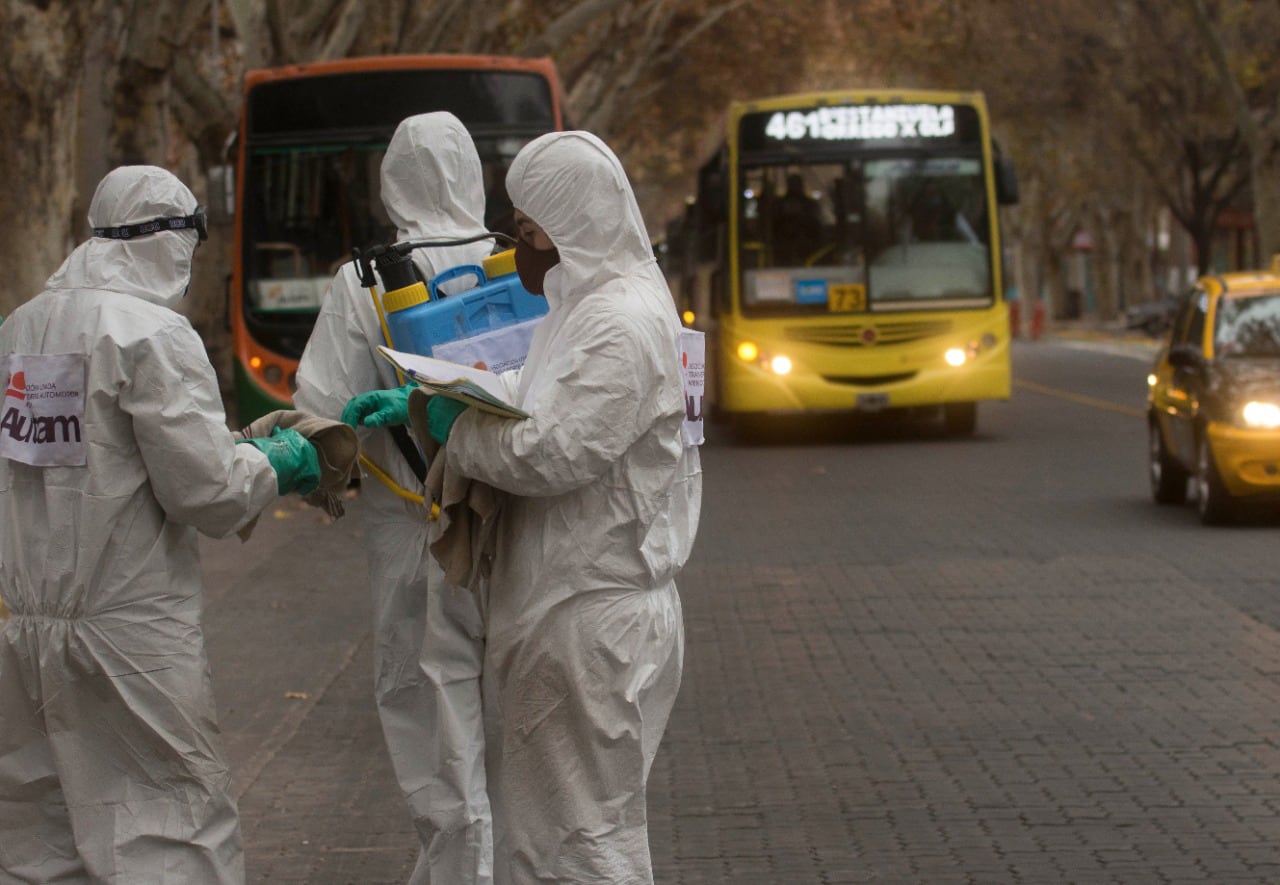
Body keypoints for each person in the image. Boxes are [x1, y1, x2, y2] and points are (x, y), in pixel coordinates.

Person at [0, 165, 320, 883]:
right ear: (174, 242)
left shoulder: (22, 325)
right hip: (130, 632)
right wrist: (277, 462)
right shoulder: (152, 334)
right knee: (170, 833)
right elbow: (206, 493)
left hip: (27, 633)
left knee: (39, 842)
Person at [416, 131, 703, 883]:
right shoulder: (586, 308)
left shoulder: (620, 323)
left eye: (530, 231)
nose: (522, 248)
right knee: (560, 834)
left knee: (579, 844)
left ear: (574, 225)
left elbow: (555, 451)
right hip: (568, 603)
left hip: (588, 615)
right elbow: (544, 403)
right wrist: (454, 397)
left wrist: (464, 434)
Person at [293, 111, 495, 884]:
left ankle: (462, 874)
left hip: (414, 534)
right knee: (506, 718)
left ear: (391, 181)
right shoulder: (519, 260)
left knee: (435, 726)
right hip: (504, 522)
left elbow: (321, 405)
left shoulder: (367, 277)